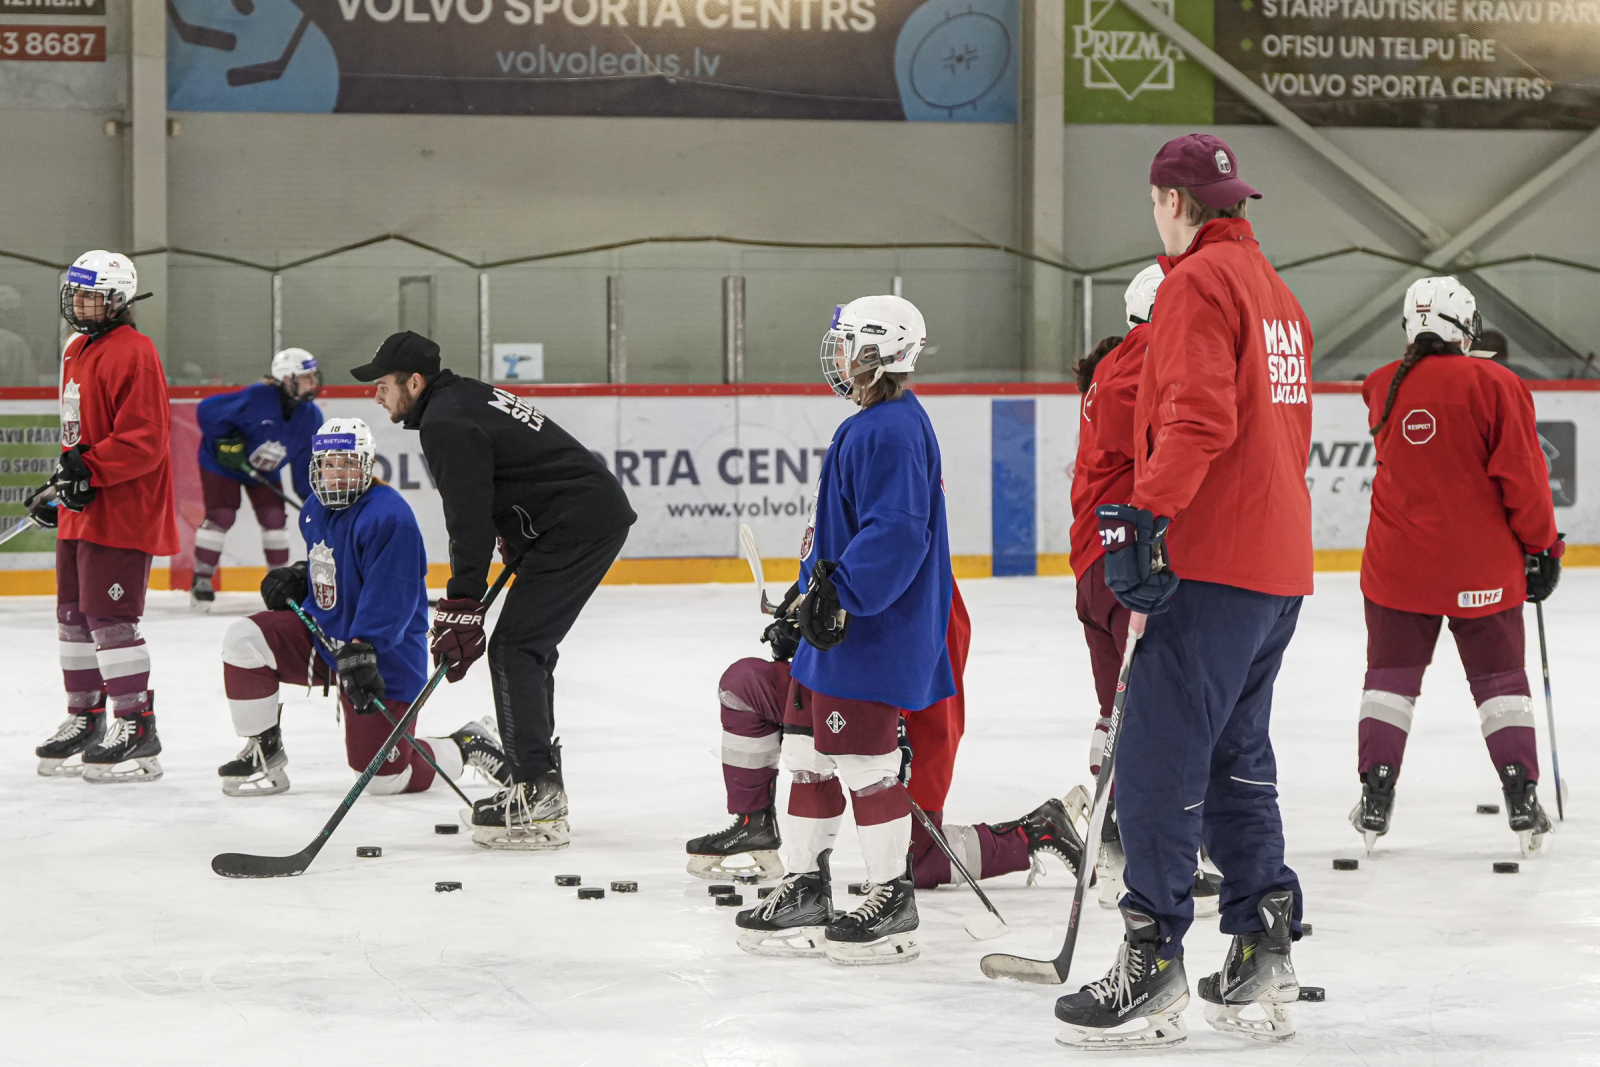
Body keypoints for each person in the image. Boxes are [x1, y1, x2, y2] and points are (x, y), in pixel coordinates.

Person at [1054, 135, 1311, 1049]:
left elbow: (1199, 417)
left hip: (1211, 560)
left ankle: (1150, 958)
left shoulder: (1196, 284)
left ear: (1170, 200)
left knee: (1157, 755)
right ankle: (1262, 944)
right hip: (1277, 566)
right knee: (1237, 755)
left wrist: (1146, 517)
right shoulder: (1277, 293)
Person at [730, 294, 953, 967]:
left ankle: (892, 895)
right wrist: (803, 602)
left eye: (848, 343)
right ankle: (805, 885)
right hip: (836, 634)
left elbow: (897, 534)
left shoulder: (891, 429)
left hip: (871, 633)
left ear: (877, 351)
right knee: (805, 754)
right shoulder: (870, 424)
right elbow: (840, 535)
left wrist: (839, 598)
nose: (838, 355)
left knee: (865, 764)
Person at [360, 331, 636, 850]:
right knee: (528, 646)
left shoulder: (445, 421)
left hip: (577, 525)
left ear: (413, 382)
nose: (376, 395)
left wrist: (463, 602)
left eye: (383, 385)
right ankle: (540, 781)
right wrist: (517, 534)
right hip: (574, 520)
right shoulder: (461, 398)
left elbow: (468, 520)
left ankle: (536, 791)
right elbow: (512, 474)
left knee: (516, 648)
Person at [686, 583, 1085, 890]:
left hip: (910, 710)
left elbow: (915, 654)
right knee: (745, 685)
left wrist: (894, 714)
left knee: (916, 860)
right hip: (851, 685)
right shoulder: (855, 522)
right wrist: (805, 635)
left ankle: (1037, 830)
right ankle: (753, 823)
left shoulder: (915, 571)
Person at [1352, 277, 1561, 858]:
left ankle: (1375, 793)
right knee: (1501, 684)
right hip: (1482, 571)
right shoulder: (1498, 384)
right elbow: (1524, 478)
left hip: (1398, 570)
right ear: (1464, 328)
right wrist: (1544, 547)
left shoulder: (1381, 385)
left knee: (1389, 682)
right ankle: (1521, 795)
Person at [216, 417, 511, 799]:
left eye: (348, 463)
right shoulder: (313, 508)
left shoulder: (390, 518)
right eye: (328, 464)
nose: (337, 473)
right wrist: (302, 578)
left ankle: (466, 744)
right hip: (327, 638)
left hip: (383, 655)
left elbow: (393, 597)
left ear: (368, 465)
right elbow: (339, 565)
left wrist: (364, 646)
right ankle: (263, 750)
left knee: (383, 779)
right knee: (245, 638)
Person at [30, 251, 178, 783]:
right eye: (76, 294)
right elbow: (81, 433)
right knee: (72, 617)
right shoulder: (75, 349)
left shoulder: (136, 351)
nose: (80, 304)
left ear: (118, 300)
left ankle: (137, 725)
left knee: (109, 619)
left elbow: (145, 440)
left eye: (91, 295)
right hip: (84, 506)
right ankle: (85, 717)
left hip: (122, 507)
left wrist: (87, 470)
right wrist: (59, 486)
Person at [190, 348, 324, 609]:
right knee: (222, 515)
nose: (313, 383)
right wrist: (225, 441)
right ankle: (201, 579)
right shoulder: (257, 397)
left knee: (275, 518)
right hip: (222, 465)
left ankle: (280, 583)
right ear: (287, 379)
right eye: (306, 377)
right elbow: (207, 410)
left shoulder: (311, 417)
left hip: (264, 469)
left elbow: (304, 469)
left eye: (313, 376)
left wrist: (314, 505)